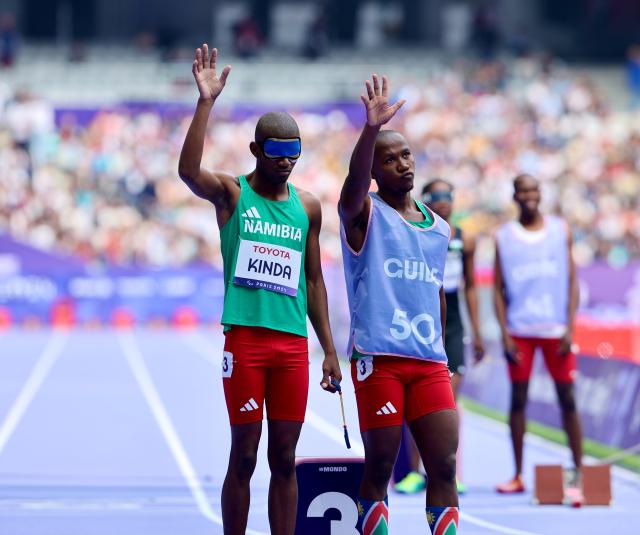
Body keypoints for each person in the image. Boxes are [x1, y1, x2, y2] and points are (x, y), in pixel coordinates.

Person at [178, 44, 342, 535]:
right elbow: (189, 173)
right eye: (278, 153)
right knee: (245, 455)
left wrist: (329, 349)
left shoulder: (308, 207)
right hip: (246, 342)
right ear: (256, 151)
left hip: (292, 347)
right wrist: (205, 103)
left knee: (286, 458)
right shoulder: (233, 195)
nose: (288, 162)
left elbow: (313, 280)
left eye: (296, 153)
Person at [339, 74, 459, 535]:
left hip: (428, 360)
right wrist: (371, 130)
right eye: (388, 160)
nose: (402, 165)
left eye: (405, 154)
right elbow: (351, 186)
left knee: (444, 467)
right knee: (381, 466)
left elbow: (435, 294)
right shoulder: (363, 212)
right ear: (375, 171)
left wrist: (444, 355)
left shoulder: (440, 228)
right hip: (380, 358)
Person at [395, 178, 485, 496]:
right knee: (415, 401)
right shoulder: (412, 233)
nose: (445, 201)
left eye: (450, 195)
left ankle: (447, 470)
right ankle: (415, 471)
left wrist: (477, 332)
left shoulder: (464, 239)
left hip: (455, 322)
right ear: (425, 199)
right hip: (422, 319)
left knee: (447, 402)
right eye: (438, 195)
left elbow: (470, 286)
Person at [494, 174, 582, 494]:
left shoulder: (561, 229)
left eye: (533, 190)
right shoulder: (503, 236)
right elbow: (498, 290)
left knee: (568, 400)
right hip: (520, 331)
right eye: (523, 191)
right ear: (515, 196)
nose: (529, 195)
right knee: (518, 400)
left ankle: (578, 475)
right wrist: (504, 334)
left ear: (540, 194)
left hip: (556, 330)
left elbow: (572, 281)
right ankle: (518, 474)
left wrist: (571, 326)